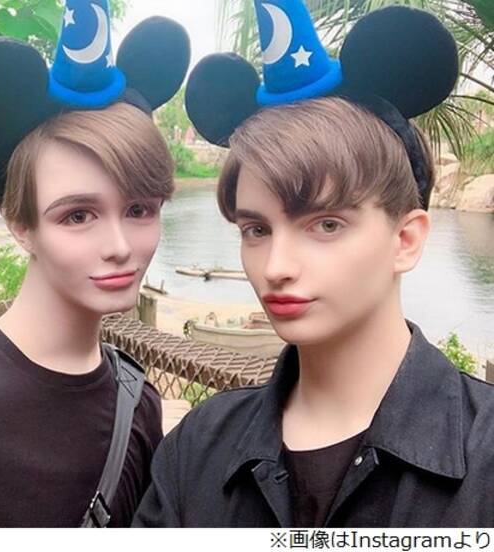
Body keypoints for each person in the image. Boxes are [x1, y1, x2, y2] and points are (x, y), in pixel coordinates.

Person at [133, 2, 494, 527]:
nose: (276, 267)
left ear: (406, 239)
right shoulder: (195, 451)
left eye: (326, 225)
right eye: (256, 230)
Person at [0, 0, 190, 527]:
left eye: (140, 210)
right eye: (78, 216)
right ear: (20, 223)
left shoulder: (138, 402)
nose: (120, 245)